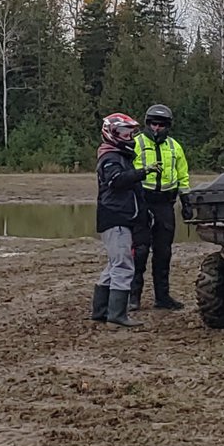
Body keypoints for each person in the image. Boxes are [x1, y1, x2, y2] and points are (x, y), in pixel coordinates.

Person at [91, 112, 161, 327]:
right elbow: (116, 181)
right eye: (123, 132)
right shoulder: (110, 158)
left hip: (120, 218)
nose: (129, 136)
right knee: (123, 266)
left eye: (131, 132)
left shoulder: (119, 156)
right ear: (111, 133)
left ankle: (101, 311)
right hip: (115, 218)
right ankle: (117, 316)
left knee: (114, 265)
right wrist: (143, 172)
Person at [129, 103, 191, 311]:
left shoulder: (175, 147)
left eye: (161, 124)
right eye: (153, 123)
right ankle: (133, 297)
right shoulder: (135, 144)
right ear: (147, 123)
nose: (156, 128)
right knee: (140, 251)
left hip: (165, 203)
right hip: (142, 202)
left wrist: (186, 200)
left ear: (168, 126)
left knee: (164, 252)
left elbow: (183, 175)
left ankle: (162, 297)